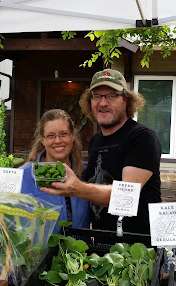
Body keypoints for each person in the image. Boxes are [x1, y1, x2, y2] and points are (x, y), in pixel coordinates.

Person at [41, 68, 162, 235]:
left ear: (126, 100)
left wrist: (77, 188)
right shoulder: (95, 142)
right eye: (96, 96)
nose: (103, 103)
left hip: (138, 250)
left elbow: (126, 197)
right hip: (101, 247)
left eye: (111, 96)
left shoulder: (141, 137)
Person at [21, 109, 90, 234]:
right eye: (51, 135)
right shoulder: (24, 175)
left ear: (73, 135)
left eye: (63, 134)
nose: (58, 141)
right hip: (39, 252)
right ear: (42, 140)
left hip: (79, 252)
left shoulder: (87, 172)